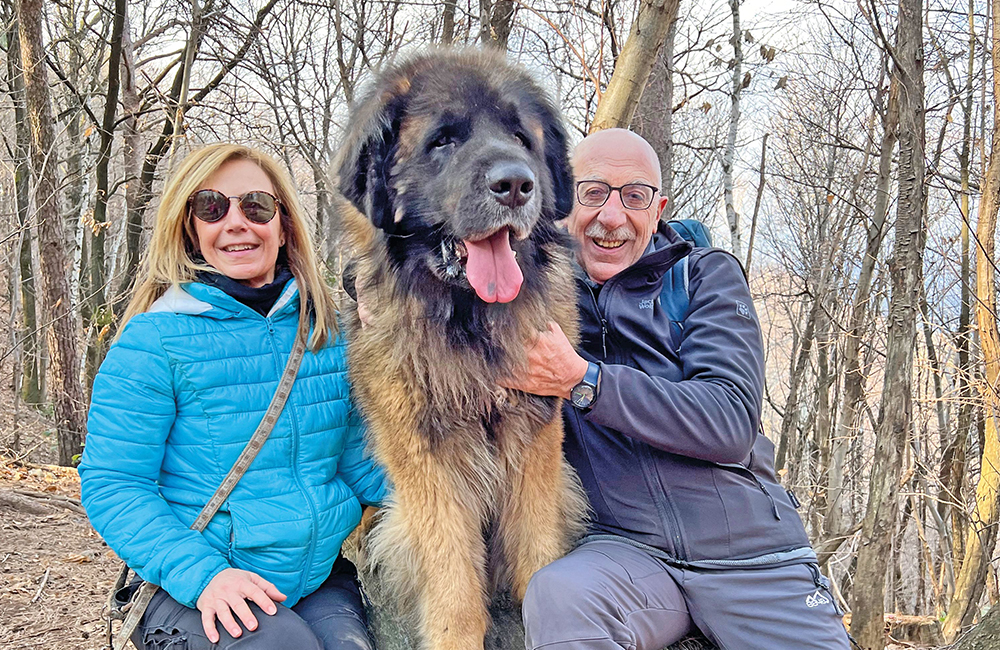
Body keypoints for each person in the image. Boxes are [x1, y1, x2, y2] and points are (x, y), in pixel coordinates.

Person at [504, 129, 851, 650]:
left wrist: (584, 381)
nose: (612, 217)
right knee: (557, 593)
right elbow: (431, 248)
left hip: (750, 557)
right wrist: (361, 289)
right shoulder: (540, 290)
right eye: (592, 192)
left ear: (659, 207)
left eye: (634, 197)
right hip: (627, 555)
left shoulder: (703, 276)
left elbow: (729, 421)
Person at [80, 144, 387, 650]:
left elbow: (355, 463)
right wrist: (205, 577)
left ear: (284, 223)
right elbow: (114, 484)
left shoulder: (327, 332)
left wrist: (451, 498)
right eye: (211, 207)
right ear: (191, 228)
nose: (236, 222)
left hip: (313, 576)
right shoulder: (154, 340)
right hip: (196, 582)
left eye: (256, 206)